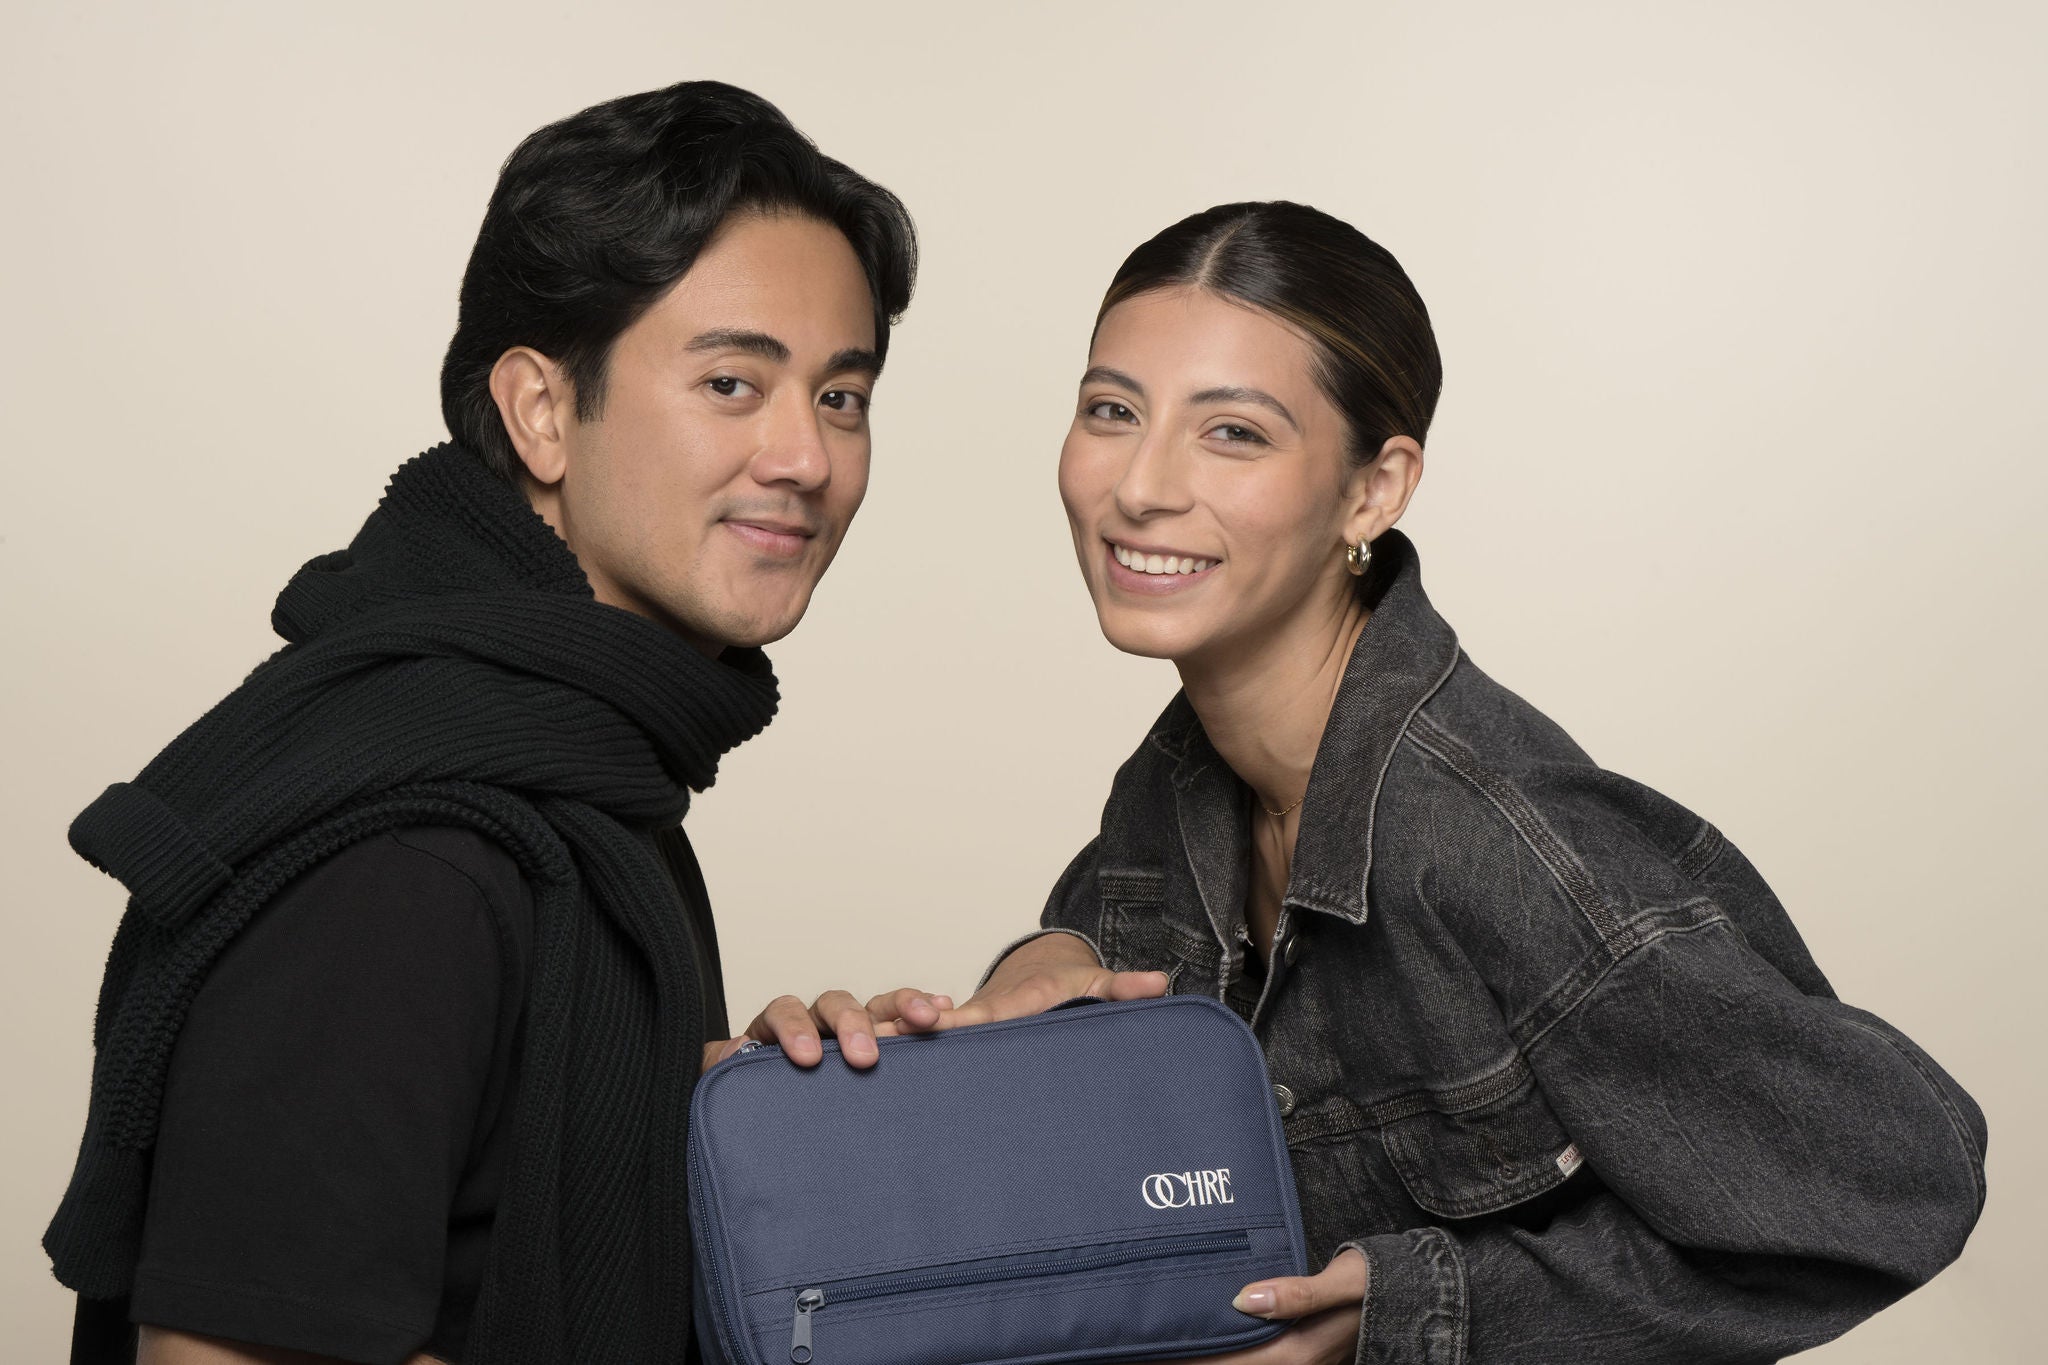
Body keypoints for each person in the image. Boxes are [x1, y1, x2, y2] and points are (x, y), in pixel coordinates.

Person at [946, 201, 1989, 1363]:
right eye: (1111, 411)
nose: (1139, 486)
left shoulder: (1483, 837)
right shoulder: (1176, 786)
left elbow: (1900, 1183)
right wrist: (1040, 969)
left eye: (1231, 432)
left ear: (1372, 490)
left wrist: (1416, 1310)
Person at [46, 80, 946, 1365]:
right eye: (731, 382)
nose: (805, 457)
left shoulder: (584, 781)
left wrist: (712, 1122)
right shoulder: (409, 860)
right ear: (539, 412)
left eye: (841, 397)